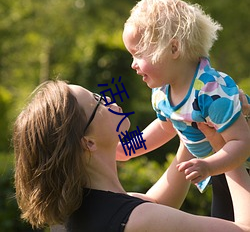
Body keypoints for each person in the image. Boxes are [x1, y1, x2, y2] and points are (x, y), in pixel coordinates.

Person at [13, 80, 250, 232]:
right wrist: (226, 147)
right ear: (88, 142)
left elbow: (156, 203)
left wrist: (189, 121)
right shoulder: (138, 220)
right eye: (98, 102)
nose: (109, 99)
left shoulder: (74, 215)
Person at [119, 0, 250, 221]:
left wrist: (209, 166)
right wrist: (128, 149)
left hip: (239, 168)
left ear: (173, 49)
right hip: (220, 172)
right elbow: (164, 127)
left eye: (138, 54)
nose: (133, 64)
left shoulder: (210, 91)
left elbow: (242, 142)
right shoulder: (162, 92)